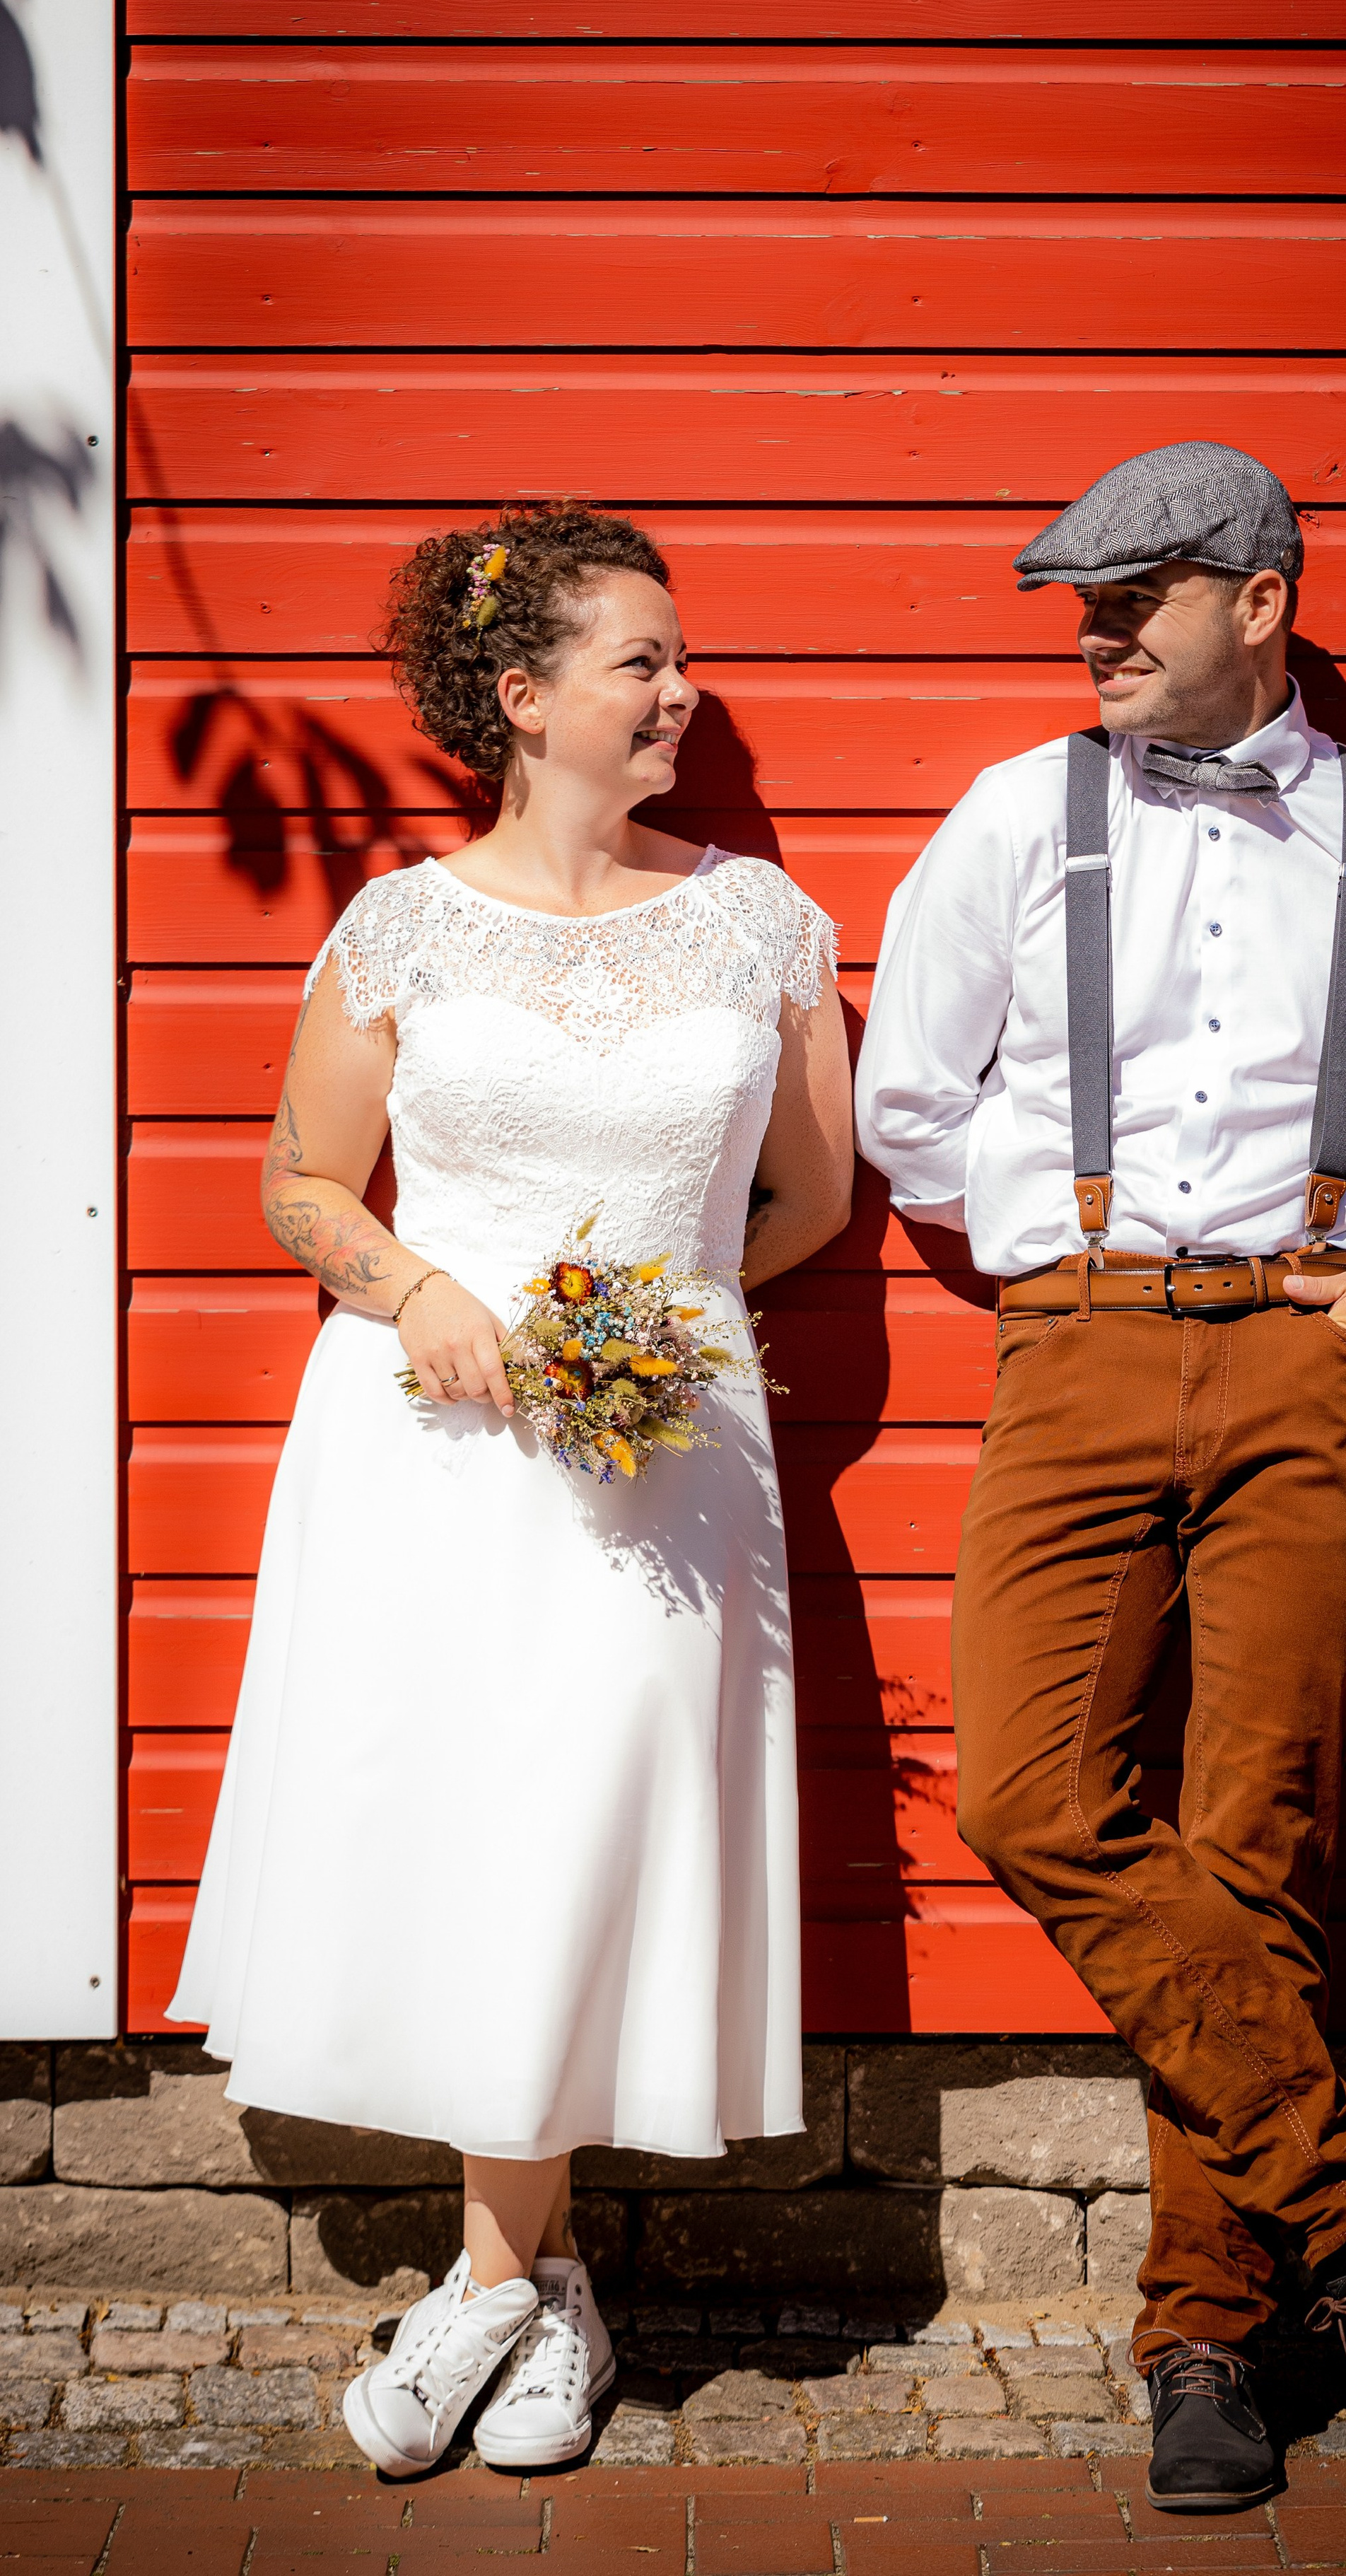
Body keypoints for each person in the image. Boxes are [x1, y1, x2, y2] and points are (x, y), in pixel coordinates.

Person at [855, 443, 1346, 2506]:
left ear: (1265, 597)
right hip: (1081, 1337)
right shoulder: (1022, 814)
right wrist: (1067, 1273)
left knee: (1252, 1831)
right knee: (1031, 1790)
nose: (1097, 635)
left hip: (1322, 1349)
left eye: (1140, 596)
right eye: (1082, 604)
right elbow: (906, 1106)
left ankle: (1208, 2338)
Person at [170, 508, 852, 2478]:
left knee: (594, 1819)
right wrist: (429, 1289)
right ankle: (534, 2288)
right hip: (429, 1443)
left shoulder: (762, 926)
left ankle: (488, 2288)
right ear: (521, 693)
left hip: (665, 1453)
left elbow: (806, 1199)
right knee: (460, 1821)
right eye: (642, 660)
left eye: (679, 656)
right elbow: (304, 1182)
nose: (681, 691)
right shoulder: (399, 923)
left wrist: (651, 1320)